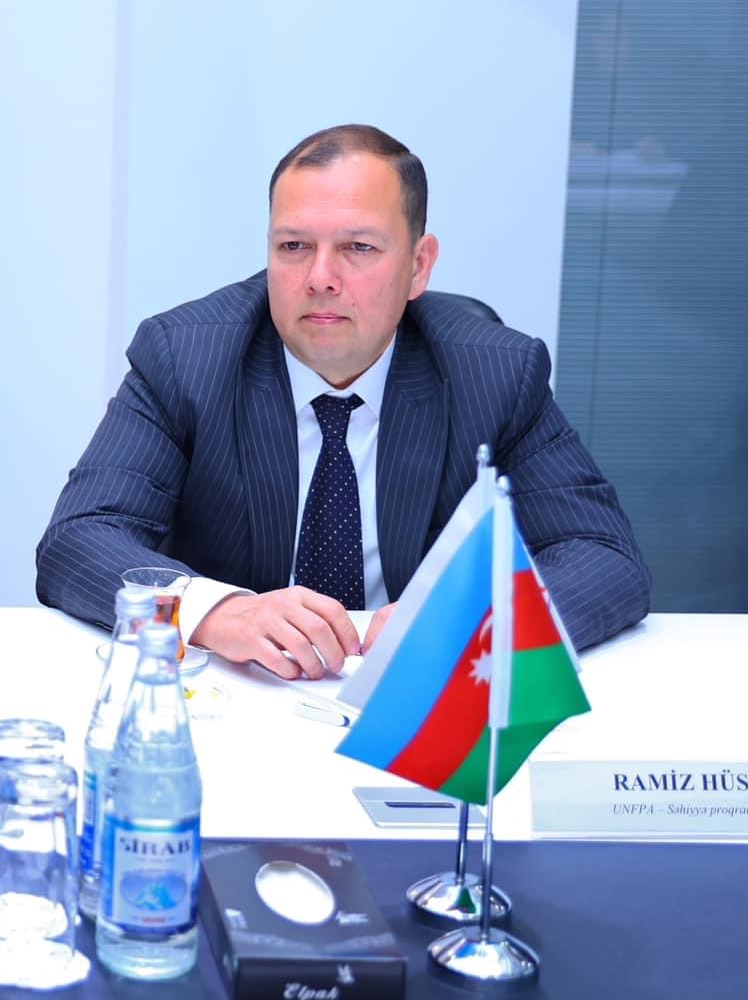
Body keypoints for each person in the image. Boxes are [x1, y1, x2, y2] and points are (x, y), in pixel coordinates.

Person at [36, 124, 649, 680]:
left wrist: (478, 623)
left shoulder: (493, 373)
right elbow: (80, 539)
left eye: (358, 247)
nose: (320, 277)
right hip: (235, 696)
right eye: (294, 246)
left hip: (412, 703)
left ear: (419, 266)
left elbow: (603, 557)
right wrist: (218, 612)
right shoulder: (187, 358)